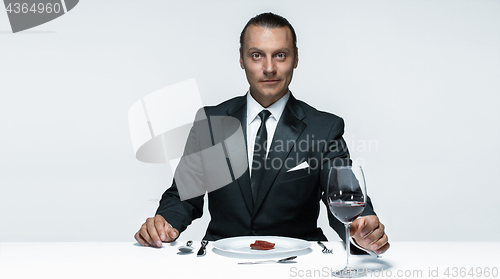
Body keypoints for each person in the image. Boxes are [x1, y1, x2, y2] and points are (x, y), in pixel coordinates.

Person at [134, 12, 389, 255]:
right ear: (242, 59)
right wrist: (164, 223)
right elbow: (184, 195)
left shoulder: (324, 129)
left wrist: (362, 230)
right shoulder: (211, 122)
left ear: (296, 59)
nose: (269, 68)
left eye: (280, 55)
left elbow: (346, 198)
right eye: (257, 55)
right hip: (221, 263)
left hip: (298, 263)